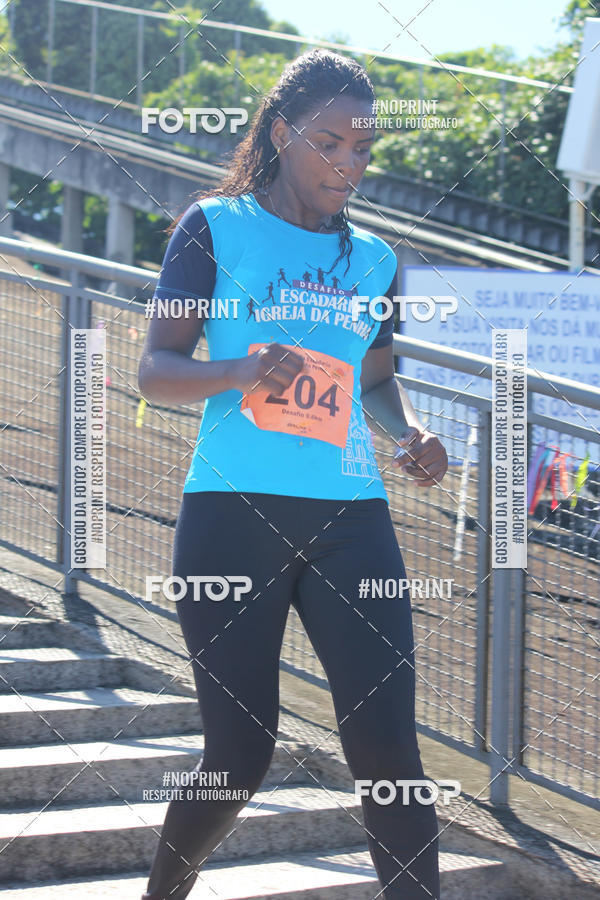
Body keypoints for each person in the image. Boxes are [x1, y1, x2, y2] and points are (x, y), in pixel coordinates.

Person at [137, 48, 448, 900]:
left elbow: (375, 379)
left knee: (390, 751)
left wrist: (411, 432)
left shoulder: (375, 259)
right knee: (239, 755)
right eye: (330, 143)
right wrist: (237, 371)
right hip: (231, 511)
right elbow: (156, 371)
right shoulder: (214, 225)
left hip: (352, 515)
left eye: (363, 148)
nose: (349, 164)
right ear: (281, 134)